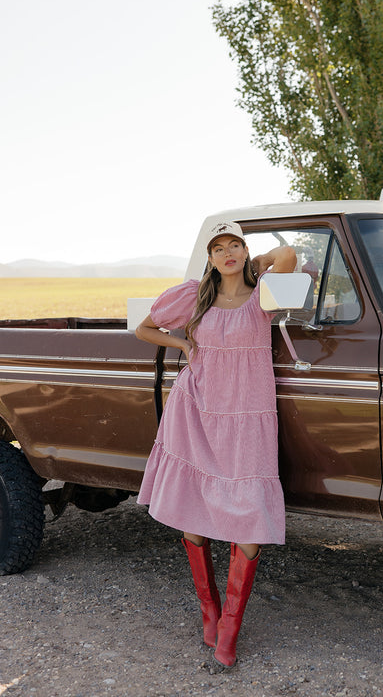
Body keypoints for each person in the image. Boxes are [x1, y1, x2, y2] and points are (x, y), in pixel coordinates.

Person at [135, 220, 296, 669]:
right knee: (194, 514)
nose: (226, 254)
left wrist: (255, 264)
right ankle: (208, 613)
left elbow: (289, 257)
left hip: (248, 419)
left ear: (244, 252)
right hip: (197, 409)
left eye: (234, 246)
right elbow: (145, 328)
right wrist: (182, 343)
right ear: (208, 257)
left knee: (248, 522)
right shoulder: (194, 298)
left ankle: (230, 626)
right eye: (218, 249)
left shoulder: (264, 295)